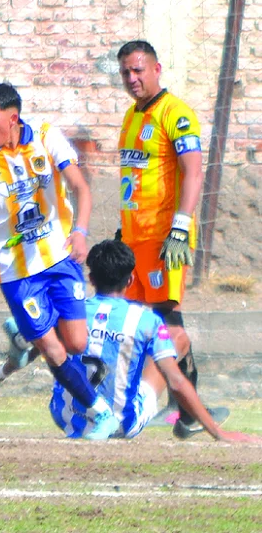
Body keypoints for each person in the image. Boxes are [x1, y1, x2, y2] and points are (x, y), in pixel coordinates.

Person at [0, 82, 120, 440]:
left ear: (12, 119)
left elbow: (81, 187)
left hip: (59, 257)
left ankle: (24, 341)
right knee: (53, 348)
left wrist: (81, 231)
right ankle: (100, 412)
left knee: (75, 343)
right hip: (15, 271)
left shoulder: (46, 137)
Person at [0, 240, 258, 443]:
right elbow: (175, 381)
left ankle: (24, 335)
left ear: (90, 279)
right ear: (130, 280)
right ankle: (188, 421)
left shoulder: (67, 313)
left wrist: (0, 373)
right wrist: (219, 433)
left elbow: (38, 350)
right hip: (122, 424)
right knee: (178, 340)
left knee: (46, 339)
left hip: (66, 418)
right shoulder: (147, 319)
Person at [116, 40, 228, 438]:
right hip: (134, 240)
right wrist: (122, 230)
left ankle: (188, 410)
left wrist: (181, 224)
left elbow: (194, 172)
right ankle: (187, 411)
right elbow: (137, 180)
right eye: (126, 72)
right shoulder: (131, 116)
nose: (133, 78)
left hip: (166, 240)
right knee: (147, 324)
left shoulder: (176, 113)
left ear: (157, 69)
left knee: (166, 320)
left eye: (139, 70)